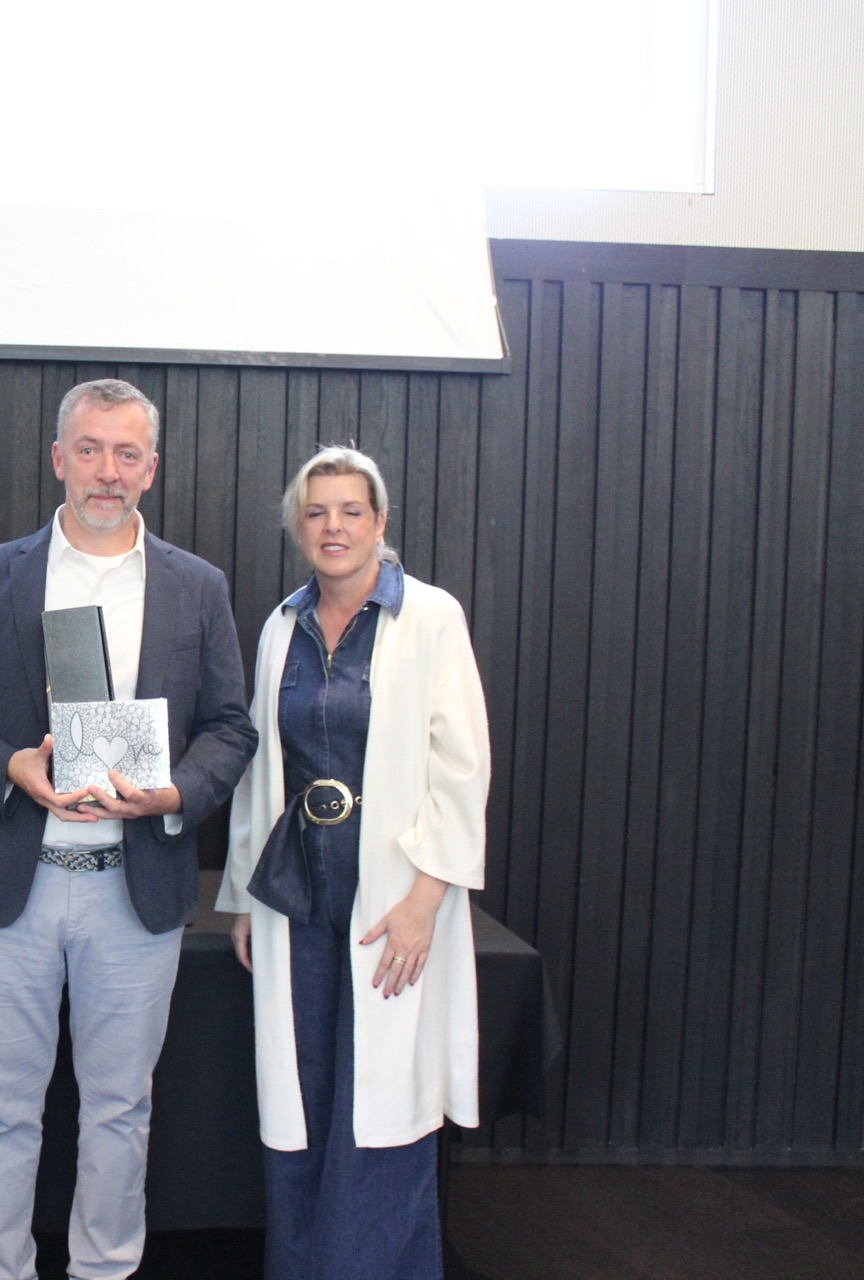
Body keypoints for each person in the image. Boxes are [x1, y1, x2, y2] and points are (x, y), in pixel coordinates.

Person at [0, 378, 257, 1280]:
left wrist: (174, 794)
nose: (107, 471)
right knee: (1, 1109)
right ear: (58, 458)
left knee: (121, 1110)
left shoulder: (197, 586)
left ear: (152, 468)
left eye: (127, 453)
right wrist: (8, 766)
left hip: (138, 891)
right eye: (90, 449)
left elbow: (231, 727)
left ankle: (105, 1269)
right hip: (10, 885)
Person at [218, 445, 488, 1279]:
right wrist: (243, 897)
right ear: (297, 527)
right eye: (316, 512)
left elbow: (462, 768)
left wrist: (425, 900)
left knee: (380, 1107)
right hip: (296, 891)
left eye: (351, 511)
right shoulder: (281, 625)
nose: (333, 526)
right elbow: (259, 773)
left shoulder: (431, 618)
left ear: (380, 522)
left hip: (394, 897)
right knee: (303, 1101)